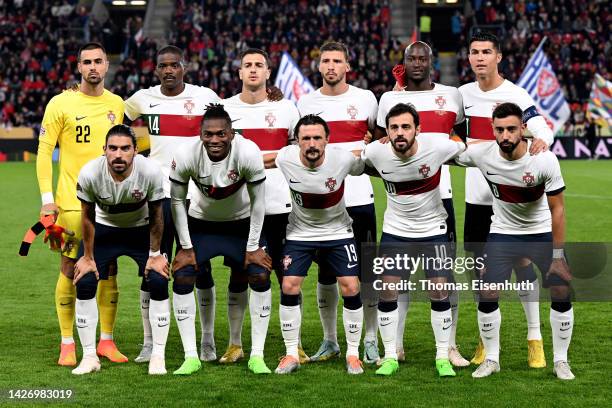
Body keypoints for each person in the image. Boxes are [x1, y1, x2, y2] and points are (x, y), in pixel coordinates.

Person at [455, 102, 574, 380]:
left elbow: (558, 209)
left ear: (523, 129)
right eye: (499, 130)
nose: (505, 135)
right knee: (487, 290)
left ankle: (560, 360)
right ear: (492, 131)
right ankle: (492, 359)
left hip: (540, 232)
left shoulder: (543, 159)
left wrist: (557, 257)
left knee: (561, 289)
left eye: (511, 129)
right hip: (503, 233)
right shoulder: (482, 155)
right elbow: (445, 149)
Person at [459, 31, 554, 367]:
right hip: (477, 199)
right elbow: (442, 128)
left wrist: (541, 139)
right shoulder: (462, 95)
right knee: (478, 272)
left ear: (498, 56)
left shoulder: (515, 93)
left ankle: (535, 338)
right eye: (474, 52)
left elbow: (542, 126)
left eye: (486, 51)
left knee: (522, 265)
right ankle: (487, 344)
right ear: (468, 57)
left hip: (512, 203)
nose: (480, 57)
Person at [123, 45, 221, 363]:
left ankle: (207, 340)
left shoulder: (204, 96)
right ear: (156, 70)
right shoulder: (143, 98)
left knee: (201, 267)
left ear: (184, 67)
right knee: (153, 267)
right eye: (162, 66)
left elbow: (228, 125)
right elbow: (114, 117)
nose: (168, 70)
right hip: (159, 196)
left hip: (197, 196)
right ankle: (149, 341)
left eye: (173, 65)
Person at [376, 41, 468, 366]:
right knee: (395, 278)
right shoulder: (389, 99)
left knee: (443, 277)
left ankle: (450, 346)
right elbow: (379, 145)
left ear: (431, 62)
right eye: (411, 58)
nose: (417, 63)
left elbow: (461, 140)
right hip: (401, 205)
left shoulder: (452, 95)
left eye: (422, 58)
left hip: (441, 199)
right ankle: (395, 346)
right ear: (403, 62)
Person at [36, 42, 126, 366]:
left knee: (110, 268)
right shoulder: (60, 103)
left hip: (111, 205)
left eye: (98, 61)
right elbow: (45, 152)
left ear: (106, 65)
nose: (92, 67)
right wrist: (48, 202)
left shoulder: (117, 103)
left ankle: (106, 341)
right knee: (69, 267)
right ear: (78, 67)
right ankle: (66, 342)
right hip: (72, 205)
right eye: (86, 61)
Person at [363, 103, 466, 377]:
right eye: (394, 127)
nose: (400, 133)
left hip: (433, 230)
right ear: (386, 131)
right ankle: (389, 356)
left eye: (406, 127)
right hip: (396, 232)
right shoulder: (375, 151)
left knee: (439, 291)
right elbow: (356, 162)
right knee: (387, 291)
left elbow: (461, 145)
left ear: (417, 130)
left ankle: (442, 356)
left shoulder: (438, 146)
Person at [170, 104, 273, 375]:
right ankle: (192, 356)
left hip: (240, 223)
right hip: (202, 223)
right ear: (200, 134)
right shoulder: (185, 154)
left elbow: (259, 203)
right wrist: (185, 247)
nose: (215, 140)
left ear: (232, 133)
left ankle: (257, 356)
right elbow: (177, 201)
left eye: (221, 134)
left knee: (259, 275)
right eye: (208, 134)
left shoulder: (248, 152)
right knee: (182, 275)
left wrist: (253, 246)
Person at [297, 41, 380, 364]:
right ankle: (330, 340)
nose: (331, 66)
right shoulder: (306, 102)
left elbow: (380, 138)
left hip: (359, 197)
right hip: (322, 202)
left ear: (348, 66)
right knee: (326, 274)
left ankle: (370, 338)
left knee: (367, 272)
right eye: (326, 61)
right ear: (319, 66)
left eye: (337, 61)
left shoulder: (365, 99)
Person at [266, 114, 366, 375]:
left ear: (327, 141)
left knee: (351, 286)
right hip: (300, 233)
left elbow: (364, 161)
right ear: (297, 142)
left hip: (338, 231)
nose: (312, 143)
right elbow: (260, 162)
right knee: (289, 285)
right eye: (306, 138)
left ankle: (353, 354)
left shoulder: (342, 159)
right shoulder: (285, 157)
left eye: (317, 138)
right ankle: (291, 354)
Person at [220, 48, 302, 364]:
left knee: (288, 276)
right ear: (239, 72)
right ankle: (235, 343)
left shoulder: (286, 108)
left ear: (268, 73)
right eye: (247, 65)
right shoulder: (224, 109)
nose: (253, 70)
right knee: (241, 275)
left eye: (259, 65)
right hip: (238, 208)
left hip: (281, 205)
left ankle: (293, 345)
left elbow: (297, 152)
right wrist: (269, 159)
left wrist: (256, 162)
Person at [71, 125, 167, 375]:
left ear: (136, 151)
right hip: (104, 229)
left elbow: (158, 215)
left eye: (125, 148)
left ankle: (158, 356)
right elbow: (87, 216)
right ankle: (90, 357)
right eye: (112, 148)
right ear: (104, 150)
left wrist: (155, 255)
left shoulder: (151, 171)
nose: (118, 154)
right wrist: (88, 257)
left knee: (157, 280)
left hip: (141, 229)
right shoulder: (90, 172)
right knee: (84, 281)